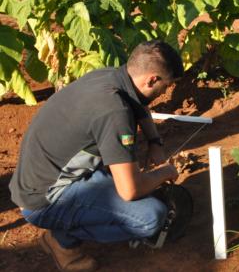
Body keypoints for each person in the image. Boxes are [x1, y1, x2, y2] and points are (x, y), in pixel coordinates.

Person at [9, 40, 184, 272]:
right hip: (44, 201)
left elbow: (139, 104)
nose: (165, 92)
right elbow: (129, 190)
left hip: (37, 180)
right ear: (152, 79)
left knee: (121, 169)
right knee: (151, 217)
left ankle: (68, 225)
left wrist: (154, 142)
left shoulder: (110, 77)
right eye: (166, 86)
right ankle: (61, 240)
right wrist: (165, 173)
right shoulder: (114, 112)